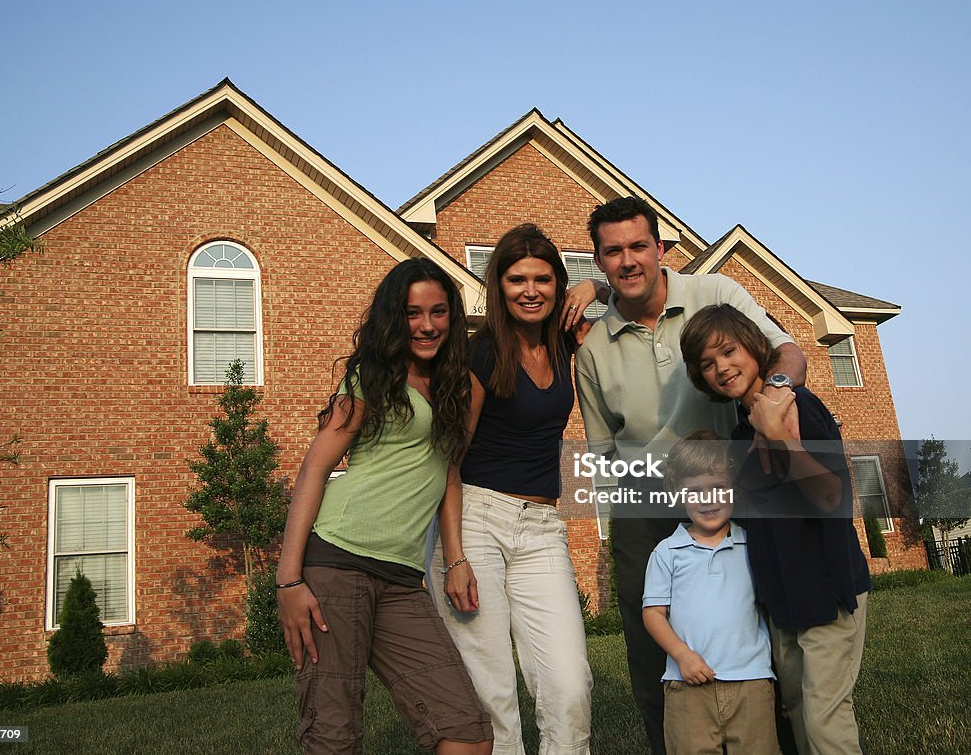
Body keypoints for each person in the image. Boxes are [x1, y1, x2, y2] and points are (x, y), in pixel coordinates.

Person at [573, 196, 807, 754]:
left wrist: (776, 395)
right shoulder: (593, 351)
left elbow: (789, 351)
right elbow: (601, 449)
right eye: (613, 252)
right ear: (599, 262)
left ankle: (774, 739)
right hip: (644, 499)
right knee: (647, 630)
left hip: (729, 483)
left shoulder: (716, 293)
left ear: (659, 248)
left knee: (758, 612)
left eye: (637, 246)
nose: (627, 261)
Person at [276, 258, 493, 755]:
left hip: (400, 576)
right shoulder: (369, 380)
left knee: (467, 732)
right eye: (413, 313)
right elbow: (314, 469)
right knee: (334, 735)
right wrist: (288, 580)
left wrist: (456, 559)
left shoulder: (458, 387)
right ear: (395, 317)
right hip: (335, 562)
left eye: (438, 312)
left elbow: (448, 471)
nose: (426, 325)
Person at [427, 224, 602, 755]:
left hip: (542, 528)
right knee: (492, 692)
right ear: (499, 287)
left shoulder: (569, 342)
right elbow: (448, 460)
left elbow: (639, 303)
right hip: (475, 520)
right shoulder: (481, 354)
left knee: (571, 686)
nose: (531, 290)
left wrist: (599, 288)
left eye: (543, 279)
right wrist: (454, 556)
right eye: (517, 279)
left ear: (559, 285)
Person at [680, 304, 870, 755]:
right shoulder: (742, 433)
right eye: (707, 363)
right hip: (782, 601)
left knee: (825, 721)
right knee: (800, 716)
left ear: (756, 347)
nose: (722, 368)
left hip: (829, 591)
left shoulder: (798, 405)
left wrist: (779, 436)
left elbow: (831, 497)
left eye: (729, 352)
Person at [642, 431, 778, 755]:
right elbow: (653, 614)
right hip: (687, 684)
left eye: (718, 487)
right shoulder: (666, 552)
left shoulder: (753, 544)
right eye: (695, 491)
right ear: (678, 493)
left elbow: (769, 609)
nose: (708, 499)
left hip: (752, 682)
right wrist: (682, 656)